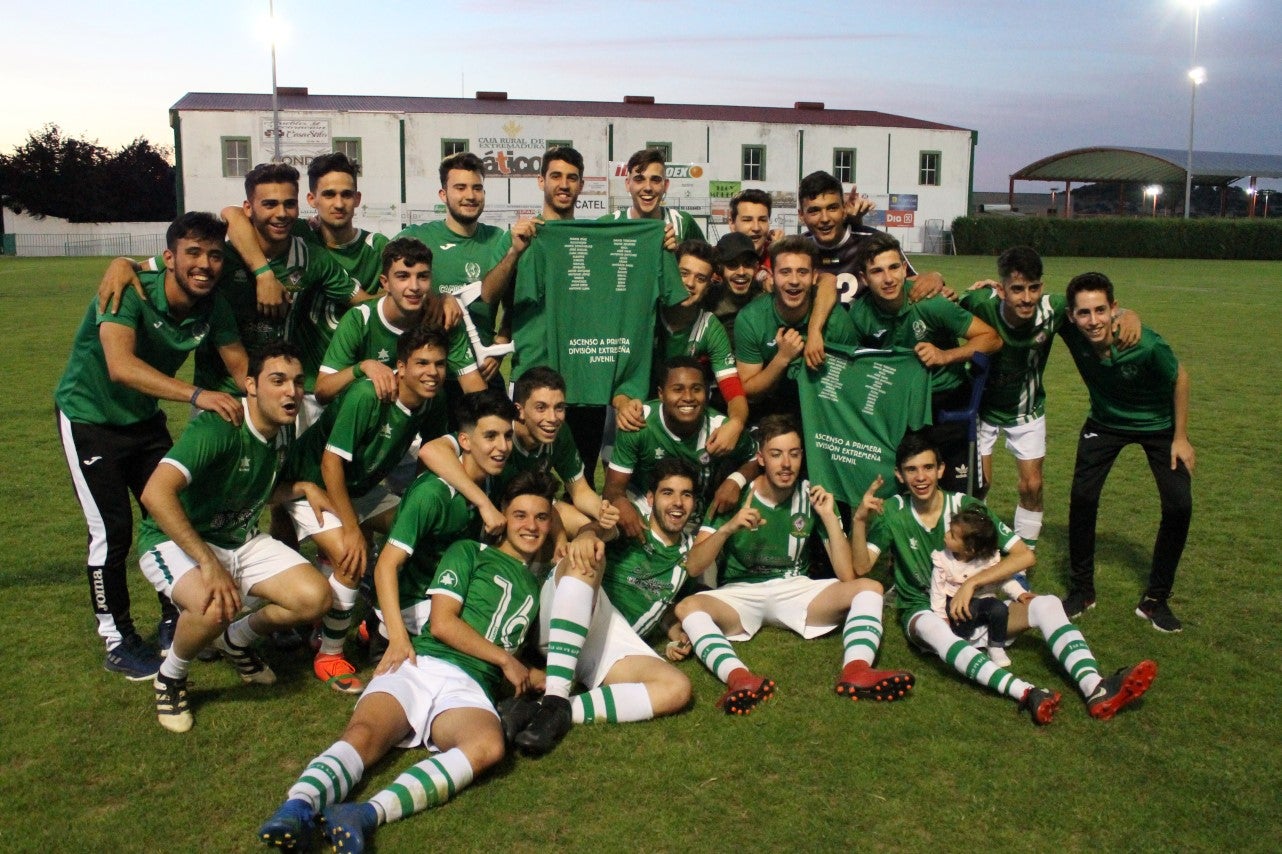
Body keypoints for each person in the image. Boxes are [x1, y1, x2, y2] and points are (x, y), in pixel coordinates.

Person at [256, 472, 557, 853]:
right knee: (364, 736)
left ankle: (364, 814)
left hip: (470, 687)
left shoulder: (540, 586)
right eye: (520, 515)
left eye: (541, 517)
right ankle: (297, 806)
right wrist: (505, 661)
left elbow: (519, 656)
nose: (531, 526)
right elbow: (443, 623)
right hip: (423, 663)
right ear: (504, 518)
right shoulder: (469, 551)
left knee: (487, 746)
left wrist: (547, 679)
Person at [849, 432, 1158, 725]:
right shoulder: (893, 511)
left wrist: (971, 584)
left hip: (979, 609)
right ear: (900, 475)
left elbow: (1024, 555)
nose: (921, 477)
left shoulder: (967, 508)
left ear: (941, 469)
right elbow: (862, 567)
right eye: (912, 470)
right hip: (925, 611)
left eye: (928, 467)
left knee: (1047, 603)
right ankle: (1026, 692)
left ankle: (1095, 686)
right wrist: (860, 521)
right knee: (933, 628)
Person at [55, 212, 247, 680]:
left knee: (170, 515)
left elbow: (242, 368)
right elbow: (120, 366)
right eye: (194, 254)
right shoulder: (130, 289)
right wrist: (198, 395)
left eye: (214, 255)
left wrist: (278, 399)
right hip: (89, 418)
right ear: (169, 258)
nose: (204, 264)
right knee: (112, 532)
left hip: (144, 420)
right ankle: (117, 638)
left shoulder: (212, 303)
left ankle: (171, 619)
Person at [139, 342, 336, 732]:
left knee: (315, 598)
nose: (291, 391)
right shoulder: (219, 425)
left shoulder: (282, 431)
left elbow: (258, 487)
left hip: (240, 540)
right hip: (174, 541)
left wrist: (300, 488)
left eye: (297, 382)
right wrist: (209, 564)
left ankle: (236, 640)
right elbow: (154, 494)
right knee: (214, 605)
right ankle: (171, 676)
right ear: (250, 385)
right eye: (277, 380)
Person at [674, 415, 913, 715]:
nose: (786, 464)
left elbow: (846, 574)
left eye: (794, 453)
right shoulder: (733, 497)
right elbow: (694, 566)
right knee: (687, 608)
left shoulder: (813, 494)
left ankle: (856, 670)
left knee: (869, 587)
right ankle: (740, 679)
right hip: (741, 593)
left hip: (796, 589)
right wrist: (727, 528)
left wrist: (828, 516)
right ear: (760, 458)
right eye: (776, 454)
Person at [282, 326, 450, 694]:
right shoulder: (366, 394)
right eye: (422, 363)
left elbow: (430, 455)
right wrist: (352, 528)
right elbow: (330, 463)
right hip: (314, 485)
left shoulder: (433, 400)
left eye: (439, 364)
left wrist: (418, 510)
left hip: (362, 487)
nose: (432, 372)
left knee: (419, 538)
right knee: (351, 555)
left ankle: (377, 625)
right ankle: (328, 653)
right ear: (401, 367)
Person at [509, 459, 703, 755]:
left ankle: (545, 709)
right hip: (573, 605)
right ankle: (556, 698)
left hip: (610, 631)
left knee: (676, 688)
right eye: (668, 493)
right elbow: (602, 528)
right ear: (651, 498)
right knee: (588, 558)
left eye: (686, 495)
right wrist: (588, 535)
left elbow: (666, 607)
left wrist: (676, 633)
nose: (677, 503)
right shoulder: (632, 520)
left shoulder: (688, 553)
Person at [962, 247, 1141, 548]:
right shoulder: (980, 303)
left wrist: (1128, 314)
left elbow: (1095, 309)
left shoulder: (1053, 309)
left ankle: (1023, 556)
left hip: (1027, 409)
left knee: (1032, 485)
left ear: (1042, 287)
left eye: (1034, 288)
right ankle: (977, 550)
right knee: (979, 485)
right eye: (1017, 289)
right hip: (981, 410)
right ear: (1002, 288)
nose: (1027, 297)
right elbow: (945, 303)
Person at [1060, 272, 1195, 632]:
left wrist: (1180, 437)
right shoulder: (1070, 326)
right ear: (1071, 317)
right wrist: (993, 287)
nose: (1093, 321)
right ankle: (1082, 590)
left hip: (1159, 427)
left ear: (1113, 308)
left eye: (1101, 311)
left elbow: (1180, 378)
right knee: (1083, 497)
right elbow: (1027, 300)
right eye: (1084, 313)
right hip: (1104, 422)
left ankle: (1156, 600)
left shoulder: (1145, 343)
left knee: (1179, 505)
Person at [843, 233, 1001, 493]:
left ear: (905, 268)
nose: (888, 278)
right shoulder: (860, 315)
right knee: (904, 492)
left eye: (894, 267)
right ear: (863, 278)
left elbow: (991, 339)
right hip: (900, 411)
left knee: (959, 496)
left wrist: (945, 355)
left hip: (947, 404)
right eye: (877, 271)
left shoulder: (931, 303)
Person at [221, 151, 389, 382]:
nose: (338, 204)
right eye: (329, 194)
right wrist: (264, 274)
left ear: (357, 198)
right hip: (279, 381)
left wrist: (429, 298)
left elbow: (367, 299)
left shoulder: (371, 247)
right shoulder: (299, 233)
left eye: (346, 195)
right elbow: (231, 214)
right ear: (312, 199)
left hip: (328, 377)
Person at [419, 366, 606, 536]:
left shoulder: (560, 432)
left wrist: (602, 511)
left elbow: (580, 490)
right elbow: (431, 450)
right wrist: (483, 503)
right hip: (481, 508)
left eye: (559, 408)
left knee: (594, 527)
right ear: (520, 410)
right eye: (541, 408)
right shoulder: (499, 428)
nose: (552, 418)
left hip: (525, 509)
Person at [314, 237, 482, 405]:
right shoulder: (360, 318)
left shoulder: (443, 318)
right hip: (367, 423)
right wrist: (362, 367)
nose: (414, 286)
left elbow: (473, 385)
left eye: (422, 277)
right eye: (403, 276)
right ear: (385, 283)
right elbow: (322, 391)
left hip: (420, 421)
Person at [604, 357, 756, 538]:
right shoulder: (637, 421)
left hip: (697, 516)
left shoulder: (721, 429)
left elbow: (757, 458)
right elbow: (612, 488)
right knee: (608, 520)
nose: (688, 398)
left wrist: (735, 481)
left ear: (706, 393)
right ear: (661, 394)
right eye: (678, 389)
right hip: (645, 509)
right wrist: (621, 503)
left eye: (696, 389)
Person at [398, 152, 512, 385]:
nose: (470, 196)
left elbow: (516, 302)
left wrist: (501, 341)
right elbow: (390, 286)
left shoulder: (499, 240)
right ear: (443, 194)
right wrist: (436, 297)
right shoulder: (416, 237)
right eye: (460, 188)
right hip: (430, 375)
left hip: (482, 369)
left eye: (477, 188)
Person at [734, 236, 859, 423]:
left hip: (824, 411)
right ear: (772, 276)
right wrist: (782, 358)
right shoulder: (751, 319)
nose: (794, 281)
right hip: (770, 411)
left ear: (814, 276)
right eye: (785, 272)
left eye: (802, 272)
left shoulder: (836, 320)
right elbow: (749, 390)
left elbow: (852, 385)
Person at [929, 508, 1028, 667]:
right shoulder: (943, 561)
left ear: (969, 550)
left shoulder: (986, 561)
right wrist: (941, 617)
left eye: (952, 536)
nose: (946, 535)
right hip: (953, 604)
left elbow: (1002, 580)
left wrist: (1020, 593)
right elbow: (937, 590)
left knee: (999, 608)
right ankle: (962, 642)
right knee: (968, 609)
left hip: (982, 601)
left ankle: (996, 645)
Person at [604, 147, 706, 243]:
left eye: (655, 180)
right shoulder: (609, 225)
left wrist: (678, 253)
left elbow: (709, 260)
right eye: (639, 179)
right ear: (627, 184)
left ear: (665, 185)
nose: (648, 187)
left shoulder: (683, 223)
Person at [709, 232, 766, 347]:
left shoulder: (766, 299)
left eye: (747, 264)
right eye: (732, 264)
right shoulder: (708, 300)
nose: (741, 272)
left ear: (756, 267)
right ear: (719, 268)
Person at [726, 188, 780, 282]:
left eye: (762, 220)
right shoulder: (717, 259)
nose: (756, 228)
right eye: (747, 220)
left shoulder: (780, 258)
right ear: (732, 223)